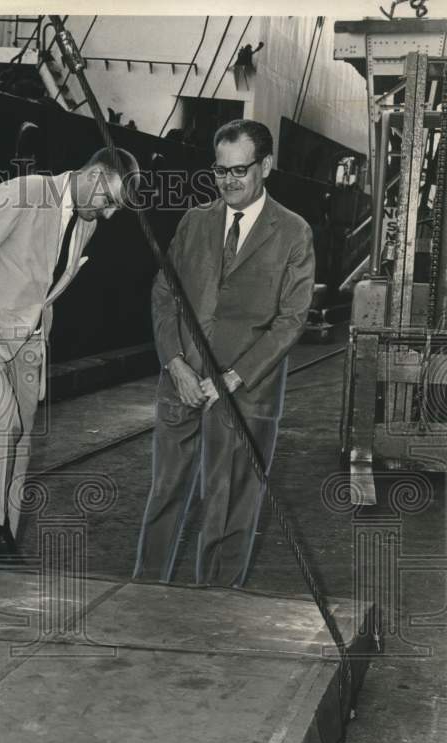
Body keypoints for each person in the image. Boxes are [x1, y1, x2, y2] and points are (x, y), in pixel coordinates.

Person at [133, 119, 315, 587]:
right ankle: (145, 591)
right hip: (183, 381)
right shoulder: (195, 222)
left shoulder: (293, 232)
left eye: (240, 170)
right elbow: (164, 293)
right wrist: (175, 363)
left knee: (229, 499)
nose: (229, 181)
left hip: (245, 391)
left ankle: (215, 602)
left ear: (266, 166)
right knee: (165, 491)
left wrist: (234, 377)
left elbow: (291, 319)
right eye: (220, 171)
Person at [0, 148, 140, 564]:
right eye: (109, 201)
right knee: (0, 421)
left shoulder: (84, 220)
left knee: (22, 441)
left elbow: (44, 282)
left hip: (26, 340)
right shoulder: (25, 191)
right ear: (94, 175)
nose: (107, 215)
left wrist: (36, 341)